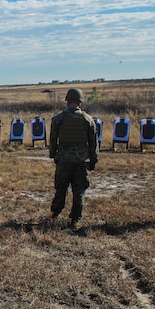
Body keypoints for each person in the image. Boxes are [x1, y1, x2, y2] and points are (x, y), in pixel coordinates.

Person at [49, 88, 98, 229]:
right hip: (81, 162)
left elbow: (53, 141)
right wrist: (93, 160)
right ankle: (75, 219)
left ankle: (54, 214)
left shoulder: (58, 119)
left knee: (61, 189)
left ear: (67, 100)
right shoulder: (88, 120)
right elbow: (93, 143)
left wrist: (54, 156)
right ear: (80, 101)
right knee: (79, 191)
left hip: (64, 161)